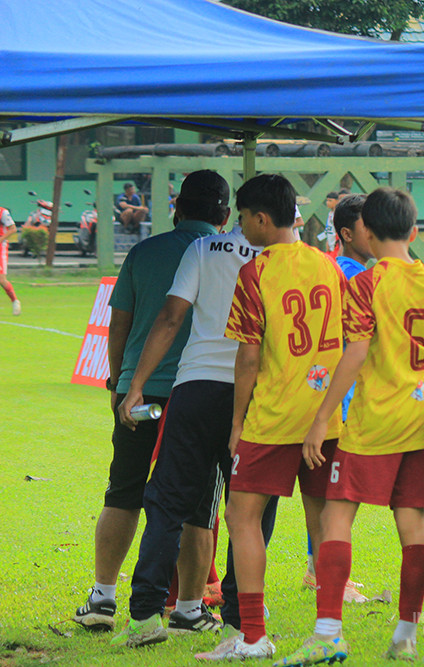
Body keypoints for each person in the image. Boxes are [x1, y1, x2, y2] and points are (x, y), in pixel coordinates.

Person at [281, 180, 424, 663]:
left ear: (365, 228)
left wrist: (322, 418)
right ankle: (406, 634)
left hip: (375, 421)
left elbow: (356, 353)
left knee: (337, 515)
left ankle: (327, 633)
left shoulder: (366, 283)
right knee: (413, 524)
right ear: (412, 229)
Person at [112, 200, 286, 648]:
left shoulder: (205, 248)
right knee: (249, 512)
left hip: (195, 389)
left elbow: (171, 317)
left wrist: (137, 385)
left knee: (167, 502)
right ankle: (238, 619)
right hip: (254, 396)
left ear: (252, 213)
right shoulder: (284, 256)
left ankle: (146, 617)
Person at [198, 174, 349, 661]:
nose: (241, 227)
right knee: (322, 522)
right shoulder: (331, 267)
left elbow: (247, 357)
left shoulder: (256, 272)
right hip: (326, 417)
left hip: (274, 417)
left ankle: (253, 635)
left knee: (242, 514)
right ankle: (327, 632)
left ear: (262, 219)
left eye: (243, 219)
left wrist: (238, 421)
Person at [72, 171, 225, 632]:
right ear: (224, 214)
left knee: (123, 491)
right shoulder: (227, 257)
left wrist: (120, 382)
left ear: (177, 207)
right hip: (200, 394)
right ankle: (189, 608)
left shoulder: (144, 252)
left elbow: (119, 324)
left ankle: (102, 598)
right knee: (198, 503)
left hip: (142, 393)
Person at [302, 192, 372, 598]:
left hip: (324, 397)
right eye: (368, 225)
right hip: (341, 403)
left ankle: (320, 570)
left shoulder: (334, 268)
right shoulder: (352, 276)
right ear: (347, 233)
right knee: (337, 497)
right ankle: (330, 576)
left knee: (324, 496)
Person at [0, 205, 20, 315]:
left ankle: (15, 301)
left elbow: (13, 229)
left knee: (1, 280)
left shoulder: (3, 212)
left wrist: (1, 239)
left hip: (0, 248)